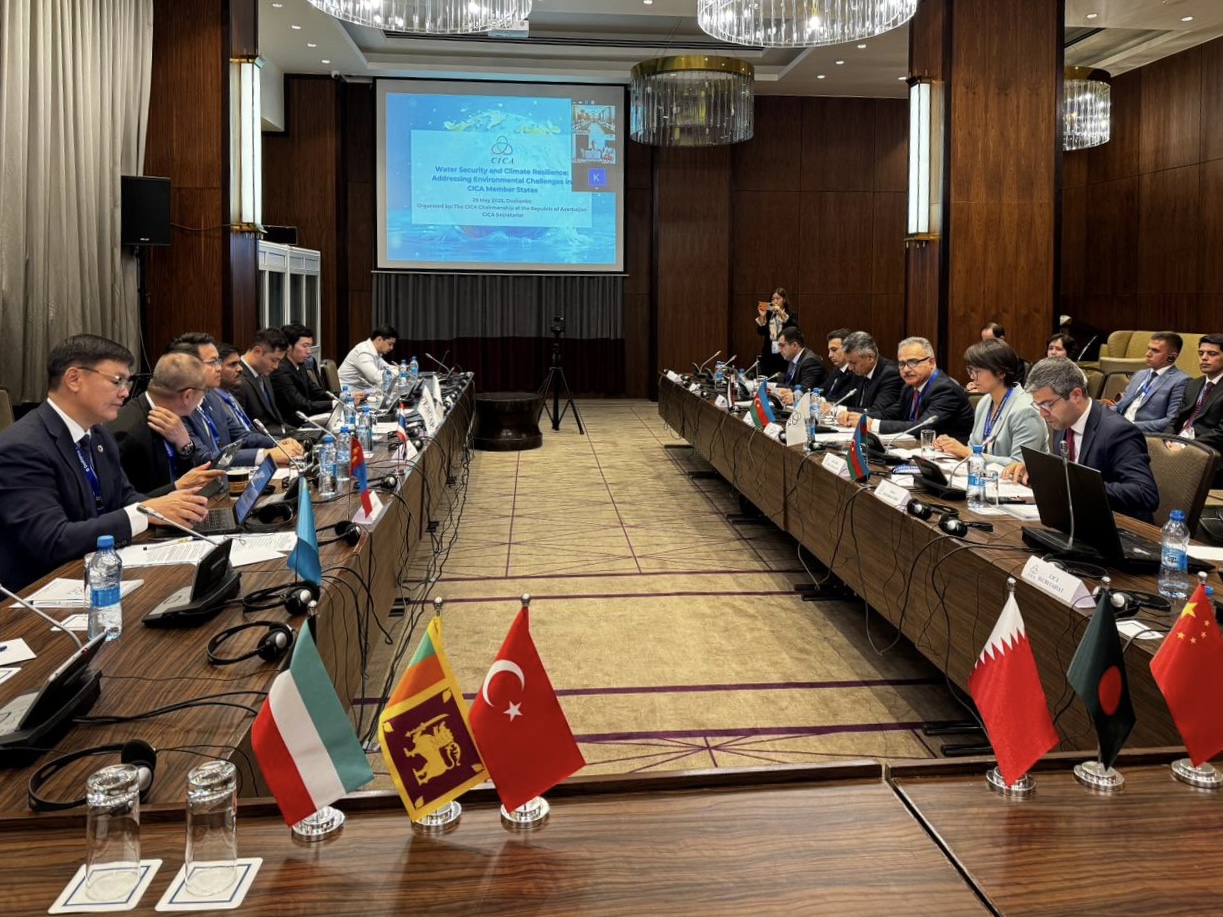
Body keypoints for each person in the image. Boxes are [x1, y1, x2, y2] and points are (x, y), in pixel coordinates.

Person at [0, 335, 209, 592]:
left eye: (127, 382)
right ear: (74, 378)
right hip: (41, 591)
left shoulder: (98, 434)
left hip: (101, 572)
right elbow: (53, 539)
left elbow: (124, 498)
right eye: (117, 380)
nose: (125, 392)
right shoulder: (22, 447)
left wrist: (173, 507)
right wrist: (146, 512)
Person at [1003, 358, 1159, 522]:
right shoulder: (1062, 422)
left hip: (1118, 525)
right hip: (1075, 519)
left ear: (1076, 395)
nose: (1042, 414)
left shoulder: (1118, 432)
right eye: (1038, 406)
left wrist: (1076, 486)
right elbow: (1064, 475)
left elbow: (1146, 493)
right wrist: (1038, 471)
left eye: (1047, 405)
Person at [170, 334, 300, 467]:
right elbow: (204, 457)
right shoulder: (177, 407)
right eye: (212, 362)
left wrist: (277, 443)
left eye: (218, 362)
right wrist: (265, 454)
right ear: (187, 367)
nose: (219, 368)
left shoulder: (212, 397)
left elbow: (241, 435)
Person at [107, 353, 224, 496]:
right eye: (205, 390)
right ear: (187, 396)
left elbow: (194, 473)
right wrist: (177, 487)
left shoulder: (174, 417)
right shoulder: (128, 433)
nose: (205, 396)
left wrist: (185, 445)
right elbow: (126, 502)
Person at [936, 339, 1048, 466]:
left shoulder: (1026, 411)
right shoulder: (984, 402)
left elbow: (1020, 465)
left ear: (1001, 372)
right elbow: (973, 447)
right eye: (971, 371)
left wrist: (968, 453)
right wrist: (951, 448)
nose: (972, 377)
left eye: (978, 372)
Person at [845, 337, 974, 441]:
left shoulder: (945, 389)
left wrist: (873, 424)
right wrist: (859, 417)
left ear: (931, 362)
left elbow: (923, 426)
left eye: (913, 362)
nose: (906, 369)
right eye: (902, 364)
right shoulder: (909, 387)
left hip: (949, 457)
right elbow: (891, 413)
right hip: (917, 449)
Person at [1106, 332, 1190, 434]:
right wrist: (1103, 415)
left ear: (1171, 357)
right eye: (1148, 348)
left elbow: (1171, 421)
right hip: (1117, 426)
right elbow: (1120, 405)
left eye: (1155, 350)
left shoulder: (1181, 381)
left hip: (1142, 433)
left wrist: (1130, 426)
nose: (1148, 354)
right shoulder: (1140, 374)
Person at [1164, 334, 1223, 459]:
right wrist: (1167, 439)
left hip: (1205, 450)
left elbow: (1220, 433)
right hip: (1177, 442)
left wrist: (1185, 446)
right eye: (1201, 353)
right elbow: (1174, 419)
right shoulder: (1193, 384)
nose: (1204, 358)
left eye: (1212, 354)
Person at [233, 328, 292, 434]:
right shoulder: (237, 380)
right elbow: (243, 431)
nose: (276, 366)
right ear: (257, 351)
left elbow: (275, 420)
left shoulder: (263, 373)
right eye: (274, 360)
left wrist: (299, 433)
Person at [836, 331, 902, 422]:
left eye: (853, 363)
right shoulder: (859, 372)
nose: (850, 368)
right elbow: (847, 401)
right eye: (848, 363)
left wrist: (840, 410)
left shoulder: (890, 374)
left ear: (870, 357)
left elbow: (877, 411)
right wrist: (832, 406)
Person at [272, 322, 334, 419]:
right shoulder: (280, 371)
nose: (309, 351)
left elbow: (317, 393)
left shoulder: (300, 365)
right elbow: (300, 405)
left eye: (310, 346)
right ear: (289, 347)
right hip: (293, 423)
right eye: (305, 346)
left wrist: (344, 397)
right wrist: (333, 404)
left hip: (306, 418)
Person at [774, 327, 826, 406]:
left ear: (794, 345)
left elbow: (804, 389)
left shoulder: (810, 361)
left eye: (782, 346)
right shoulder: (793, 359)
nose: (779, 350)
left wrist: (775, 386)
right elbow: (788, 383)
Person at [339, 324, 399, 390]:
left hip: (360, 390)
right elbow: (375, 377)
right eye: (390, 344)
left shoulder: (374, 352)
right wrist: (398, 372)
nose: (391, 348)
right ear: (379, 340)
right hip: (346, 392)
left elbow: (387, 367)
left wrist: (400, 369)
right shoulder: (364, 352)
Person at [755, 288, 797, 377]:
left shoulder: (791, 314)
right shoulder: (769, 314)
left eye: (778, 298)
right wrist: (762, 317)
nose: (775, 301)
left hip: (784, 354)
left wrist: (781, 313)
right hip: (769, 354)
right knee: (767, 378)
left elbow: (794, 329)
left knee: (782, 379)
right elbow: (760, 332)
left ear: (784, 300)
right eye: (772, 299)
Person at [823, 328, 855, 404]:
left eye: (834, 350)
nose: (829, 355)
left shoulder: (854, 372)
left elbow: (842, 400)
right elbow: (823, 389)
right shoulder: (836, 370)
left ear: (847, 349)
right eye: (829, 351)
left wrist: (821, 401)